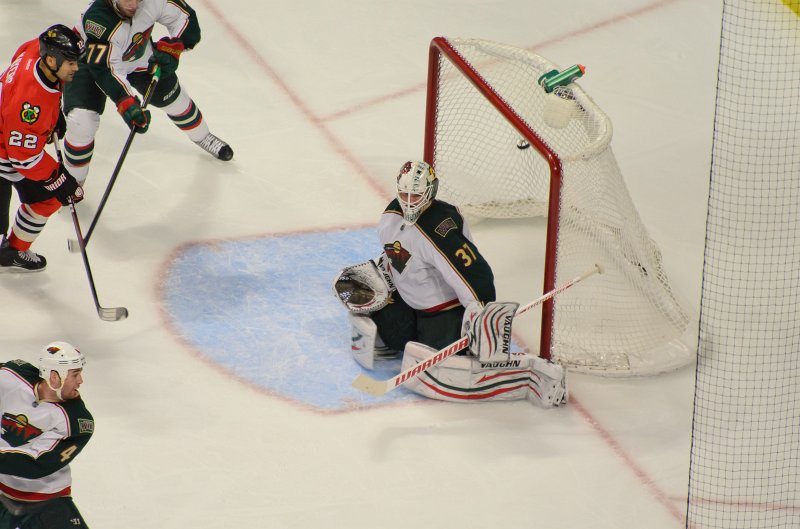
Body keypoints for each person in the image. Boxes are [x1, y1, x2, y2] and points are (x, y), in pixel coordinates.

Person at [334, 160, 568, 407]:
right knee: (391, 331)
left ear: (430, 192)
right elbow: (397, 252)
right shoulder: (391, 215)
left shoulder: (439, 230)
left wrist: (479, 309)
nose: (409, 201)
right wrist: (384, 269)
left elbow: (476, 273)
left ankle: (526, 377)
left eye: (416, 195)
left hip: (443, 312)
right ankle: (406, 335)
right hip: (410, 302)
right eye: (404, 194)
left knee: (443, 362)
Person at [63, 0, 233, 187]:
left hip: (138, 58)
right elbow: (106, 69)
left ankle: (203, 136)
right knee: (82, 121)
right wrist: (126, 102)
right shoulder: (97, 19)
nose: (134, 5)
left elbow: (185, 19)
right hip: (90, 63)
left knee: (174, 100)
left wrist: (175, 46)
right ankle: (73, 183)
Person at [0, 25, 85, 272]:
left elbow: (20, 55)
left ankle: (14, 251)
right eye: (70, 63)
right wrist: (59, 177)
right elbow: (23, 158)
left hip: (10, 137)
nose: (76, 68)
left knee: (48, 199)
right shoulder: (30, 104)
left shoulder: (34, 50)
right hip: (7, 149)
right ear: (50, 59)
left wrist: (54, 112)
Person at [0, 341, 94, 529]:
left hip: (47, 501)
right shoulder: (10, 375)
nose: (81, 381)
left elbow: (36, 465)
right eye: (75, 374)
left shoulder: (77, 421)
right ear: (54, 376)